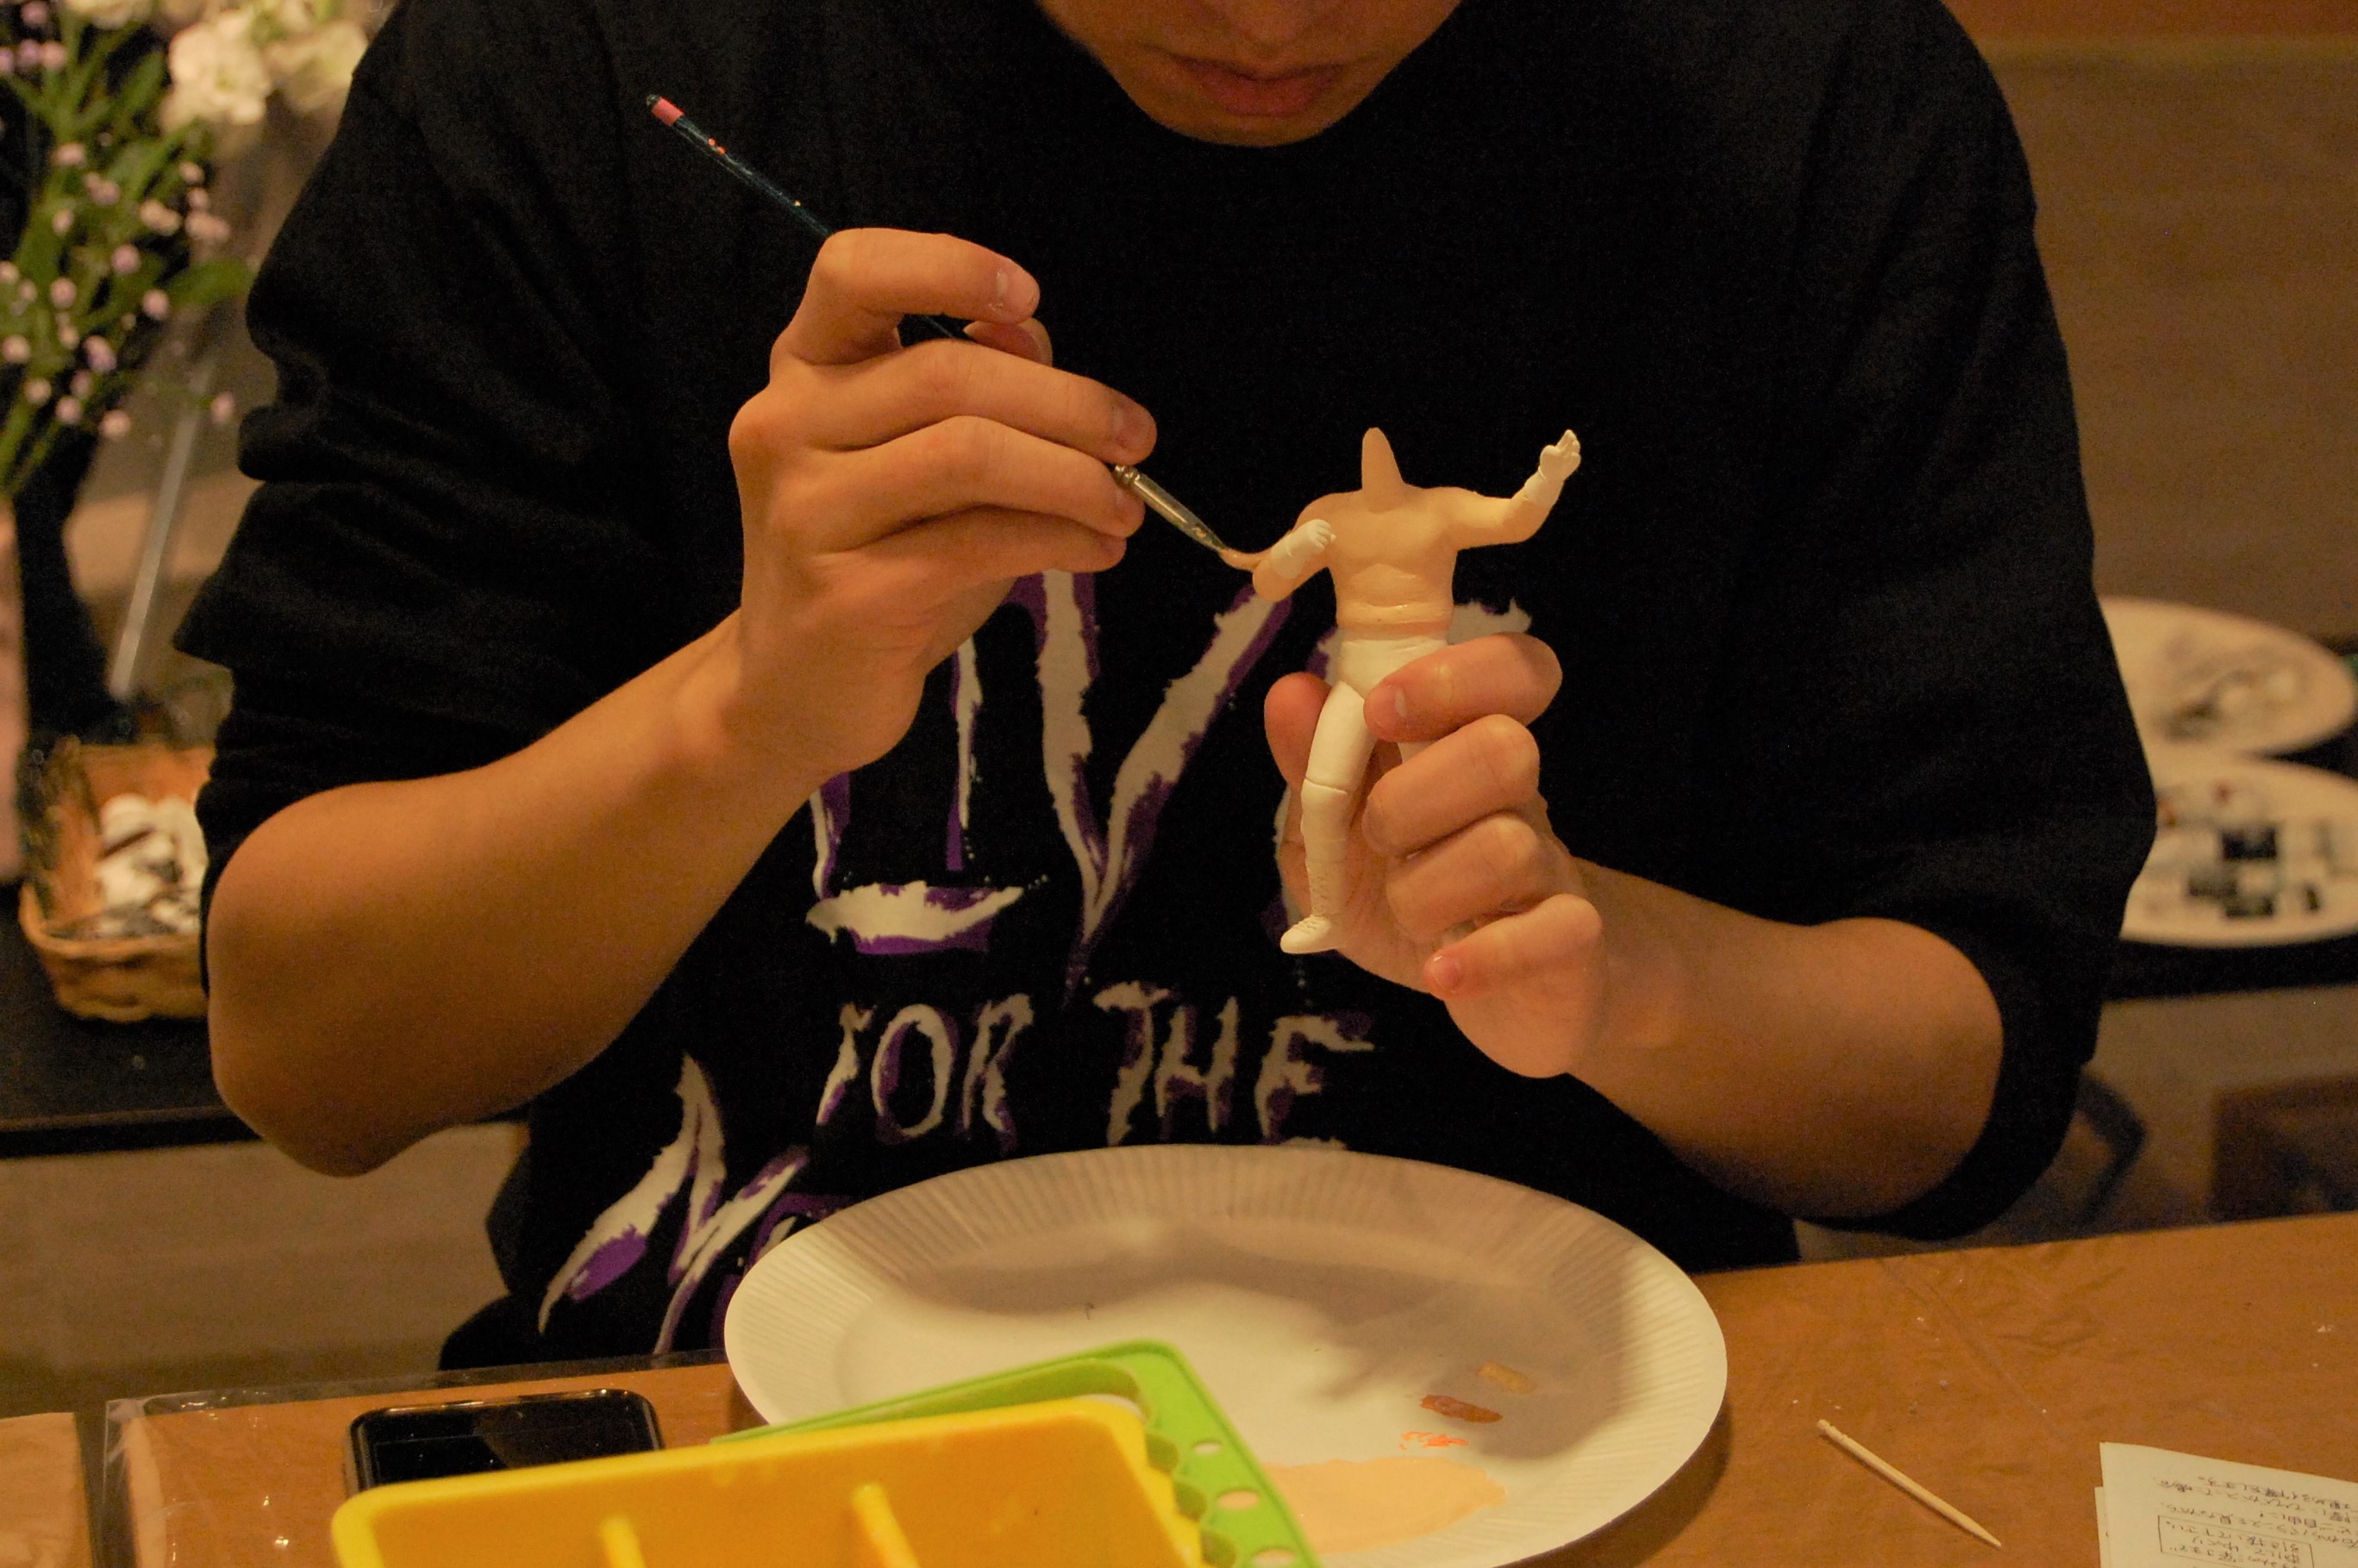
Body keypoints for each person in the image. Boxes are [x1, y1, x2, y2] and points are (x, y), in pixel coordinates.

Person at [178, 0, 2155, 1365]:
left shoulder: (1810, 96)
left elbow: (1955, 1084)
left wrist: (1601, 971)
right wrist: (749, 710)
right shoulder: (590, 66)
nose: (1270, 18)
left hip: (1531, 1441)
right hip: (736, 1443)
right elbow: (308, 1053)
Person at [1218, 426, 1580, 955]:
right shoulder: (1332, 514)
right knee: (1322, 797)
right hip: (1356, 670)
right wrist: (1294, 550)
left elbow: (1513, 519)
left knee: (1432, 804)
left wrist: (1547, 479)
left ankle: (1457, 919)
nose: (1374, 444)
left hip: (1419, 669)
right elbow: (1269, 581)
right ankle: (1329, 913)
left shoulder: (1437, 509)